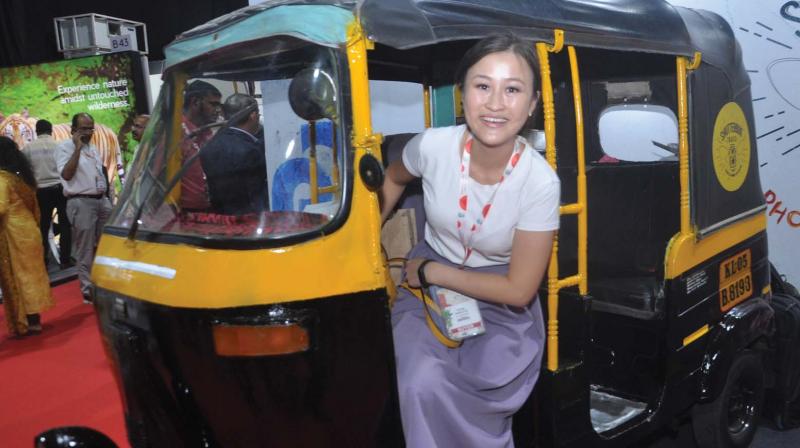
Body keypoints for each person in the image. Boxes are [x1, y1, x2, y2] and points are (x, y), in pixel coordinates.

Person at [380, 33, 560, 447]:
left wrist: (431, 271)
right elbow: (392, 178)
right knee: (420, 381)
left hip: (498, 302)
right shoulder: (431, 147)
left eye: (512, 89)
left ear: (532, 104)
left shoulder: (540, 184)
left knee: (481, 386)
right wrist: (367, 241)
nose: (495, 103)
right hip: (423, 291)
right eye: (483, 86)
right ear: (462, 94)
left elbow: (518, 290)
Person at [0, 136, 55, 337]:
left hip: (13, 234)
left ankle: (25, 323)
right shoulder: (22, 177)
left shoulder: (2, 179)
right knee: (32, 276)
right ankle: (34, 321)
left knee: (19, 278)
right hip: (29, 231)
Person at [55, 113, 112, 304]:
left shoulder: (94, 148)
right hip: (81, 202)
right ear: (73, 130)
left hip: (101, 201)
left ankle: (105, 284)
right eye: (84, 129)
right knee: (85, 248)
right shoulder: (64, 147)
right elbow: (67, 174)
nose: (88, 132)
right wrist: (77, 148)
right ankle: (88, 290)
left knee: (106, 246)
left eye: (91, 128)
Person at [200, 93, 268, 214]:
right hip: (249, 222)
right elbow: (256, 196)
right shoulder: (251, 151)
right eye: (258, 115)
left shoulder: (209, 146)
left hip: (220, 219)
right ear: (253, 116)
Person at [21, 119, 73, 269]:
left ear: (36, 132)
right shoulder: (59, 146)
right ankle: (65, 260)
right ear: (51, 130)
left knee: (43, 227)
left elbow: (25, 172)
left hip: (41, 192)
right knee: (65, 224)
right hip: (60, 189)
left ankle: (44, 260)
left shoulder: (28, 149)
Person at [180, 80, 222, 211]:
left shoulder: (208, 133)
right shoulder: (175, 134)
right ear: (195, 102)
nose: (218, 110)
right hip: (183, 217)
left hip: (210, 211)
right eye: (213, 104)